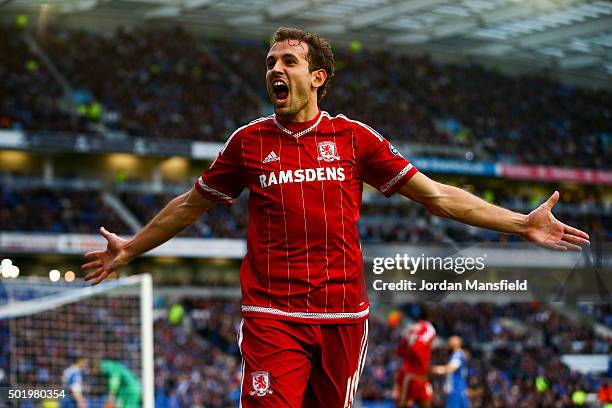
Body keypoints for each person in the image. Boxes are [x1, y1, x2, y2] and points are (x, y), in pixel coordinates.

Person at [81, 27, 590, 407]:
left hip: (343, 318)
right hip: (272, 317)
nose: (275, 70)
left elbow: (437, 196)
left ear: (317, 77)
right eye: (270, 62)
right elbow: (191, 204)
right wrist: (131, 246)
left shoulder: (354, 139)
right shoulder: (248, 143)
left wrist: (520, 223)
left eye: (288, 61)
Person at [394, 320, 436, 408]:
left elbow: (400, 350)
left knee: (403, 404)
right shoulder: (428, 328)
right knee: (425, 403)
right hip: (417, 375)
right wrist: (424, 367)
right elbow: (417, 348)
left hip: (407, 373)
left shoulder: (413, 328)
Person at [432, 336, 469, 408]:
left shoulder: (457, 355)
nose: (449, 342)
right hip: (459, 389)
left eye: (451, 340)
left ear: (457, 343)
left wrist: (437, 369)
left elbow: (452, 368)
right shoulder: (457, 354)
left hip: (456, 389)